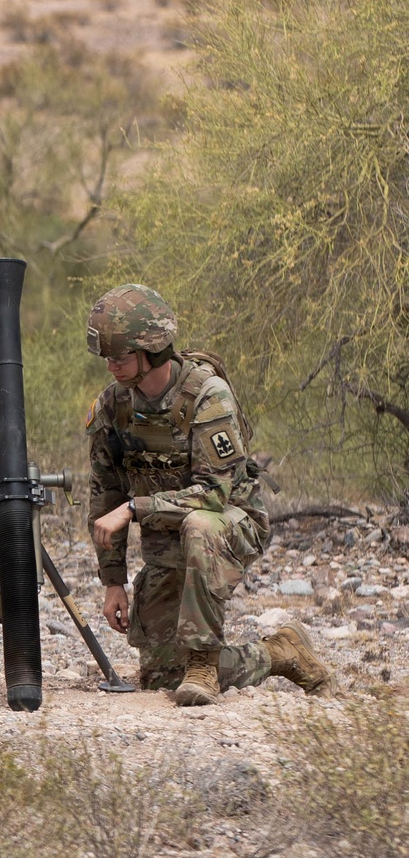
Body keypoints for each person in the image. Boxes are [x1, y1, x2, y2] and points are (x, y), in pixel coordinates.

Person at [84, 284, 335, 706]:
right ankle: (281, 653)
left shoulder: (206, 395)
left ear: (152, 351)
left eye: (120, 357)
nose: (111, 366)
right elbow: (104, 496)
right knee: (162, 678)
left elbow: (214, 495)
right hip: (167, 539)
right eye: (107, 357)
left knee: (200, 524)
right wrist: (113, 582)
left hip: (229, 525)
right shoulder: (113, 406)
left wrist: (134, 507)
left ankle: (203, 661)